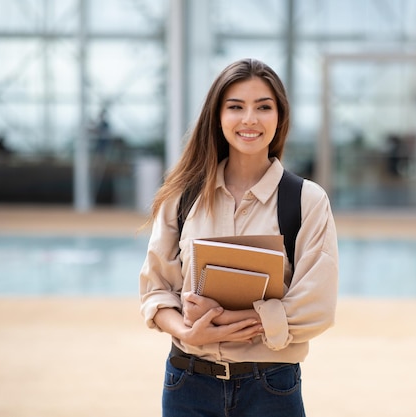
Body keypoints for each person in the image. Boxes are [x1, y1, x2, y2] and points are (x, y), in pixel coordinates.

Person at [139, 58, 339, 417]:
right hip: (187, 385)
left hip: (270, 389)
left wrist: (220, 321)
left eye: (263, 107)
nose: (250, 119)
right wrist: (189, 332)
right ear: (218, 116)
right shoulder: (181, 197)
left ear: (280, 117)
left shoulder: (306, 201)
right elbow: (156, 292)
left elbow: (316, 308)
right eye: (236, 107)